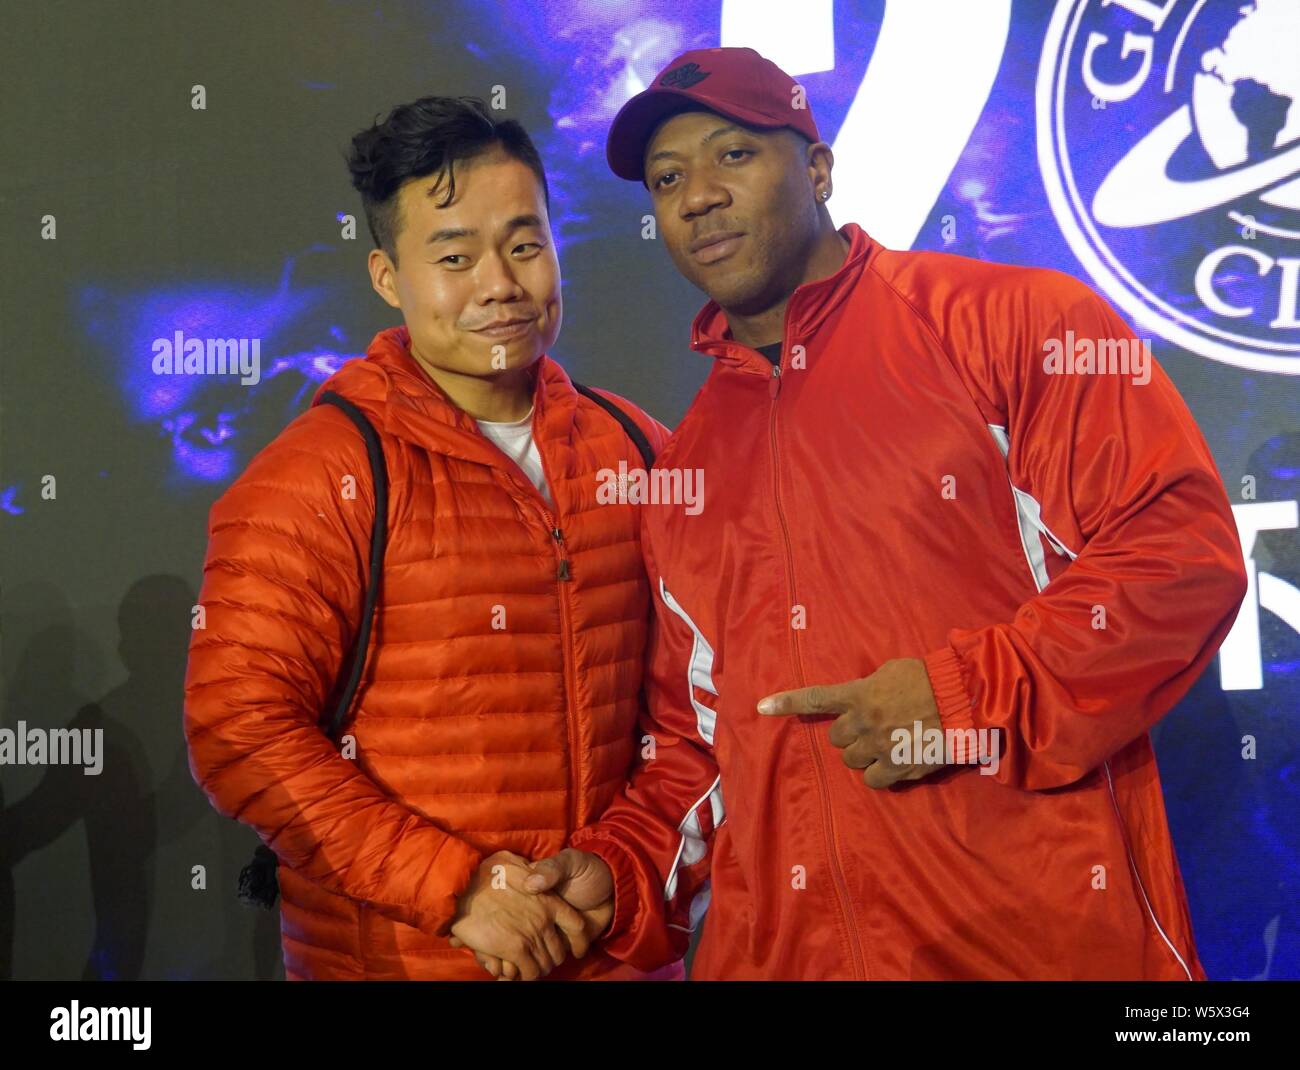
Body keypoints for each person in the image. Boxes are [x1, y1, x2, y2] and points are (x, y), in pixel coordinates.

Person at [521, 47, 1249, 980]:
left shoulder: (1015, 325)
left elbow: (1179, 558)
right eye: (668, 179)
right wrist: (624, 874)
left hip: (1037, 947)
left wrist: (962, 700)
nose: (697, 195)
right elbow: (704, 747)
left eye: (732, 156)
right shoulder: (686, 464)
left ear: (818, 170)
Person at [183, 95, 677, 981]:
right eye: (455, 256)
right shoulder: (320, 475)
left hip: (613, 958)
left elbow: (701, 708)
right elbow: (238, 729)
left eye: (525, 245)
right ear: (387, 275)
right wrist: (459, 891)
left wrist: (622, 863)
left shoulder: (640, 450)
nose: (499, 284)